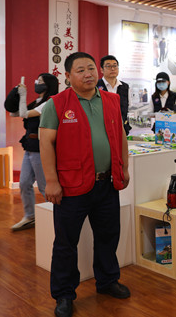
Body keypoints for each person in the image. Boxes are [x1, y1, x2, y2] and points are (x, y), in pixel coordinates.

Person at [39, 52, 130, 317]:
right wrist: (51, 181)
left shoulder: (111, 100)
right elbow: (46, 143)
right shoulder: (56, 104)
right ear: (68, 76)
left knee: (108, 235)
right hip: (71, 186)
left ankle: (108, 280)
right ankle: (64, 294)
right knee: (66, 243)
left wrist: (123, 168)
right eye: (80, 70)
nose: (88, 74)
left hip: (106, 183)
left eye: (91, 68)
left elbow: (121, 136)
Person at [7, 73, 59, 231]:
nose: (37, 83)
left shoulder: (49, 102)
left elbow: (25, 114)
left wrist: (23, 96)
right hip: (29, 147)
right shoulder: (37, 102)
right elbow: (14, 113)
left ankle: (56, 217)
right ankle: (30, 216)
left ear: (48, 85)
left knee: (44, 186)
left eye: (40, 81)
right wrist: (16, 95)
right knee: (24, 183)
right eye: (37, 81)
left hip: (40, 148)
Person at [97, 55, 131, 135]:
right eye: (108, 66)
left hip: (121, 128)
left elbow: (128, 107)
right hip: (101, 129)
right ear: (101, 69)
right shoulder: (95, 86)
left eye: (115, 66)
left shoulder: (125, 87)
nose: (112, 69)